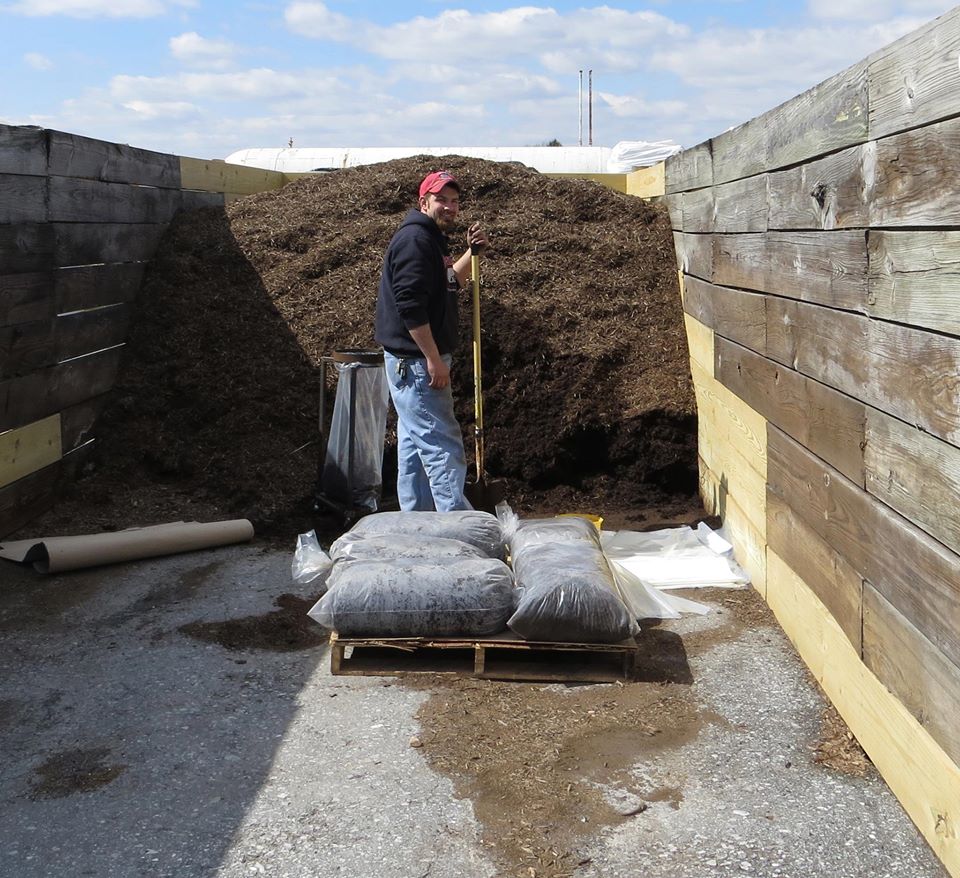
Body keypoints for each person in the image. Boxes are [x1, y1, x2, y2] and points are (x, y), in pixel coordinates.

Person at [374, 169, 489, 512]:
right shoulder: (415, 241)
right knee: (441, 444)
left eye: (454, 201)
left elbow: (451, 283)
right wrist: (433, 358)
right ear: (423, 202)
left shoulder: (431, 238)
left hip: (410, 363)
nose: (450, 207)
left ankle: (417, 524)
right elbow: (410, 306)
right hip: (417, 363)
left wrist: (473, 253)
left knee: (414, 445)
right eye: (442, 200)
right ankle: (458, 526)